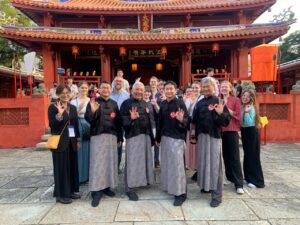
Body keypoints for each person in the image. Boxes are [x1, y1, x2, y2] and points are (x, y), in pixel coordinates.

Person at [191, 77, 231, 207]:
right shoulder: (200, 102)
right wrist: (192, 133)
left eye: (208, 86)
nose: (206, 89)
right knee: (203, 163)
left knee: (215, 165)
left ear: (214, 88)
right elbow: (194, 120)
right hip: (202, 137)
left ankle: (217, 195)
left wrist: (221, 114)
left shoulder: (218, 101)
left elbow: (226, 122)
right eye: (204, 86)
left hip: (214, 137)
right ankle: (206, 186)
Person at [85, 81, 123, 207]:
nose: (106, 89)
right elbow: (89, 119)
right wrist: (94, 111)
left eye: (107, 87)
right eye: (103, 87)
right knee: (97, 163)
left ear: (110, 90)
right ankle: (96, 191)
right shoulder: (93, 102)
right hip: (97, 136)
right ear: (98, 90)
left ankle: (106, 187)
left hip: (112, 137)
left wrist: (120, 138)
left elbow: (118, 122)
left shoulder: (114, 104)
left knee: (109, 163)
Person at [120, 81, 155, 201]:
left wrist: (152, 138)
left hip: (145, 135)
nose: (139, 92)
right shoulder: (126, 103)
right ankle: (129, 188)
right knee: (132, 161)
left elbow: (150, 121)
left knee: (144, 160)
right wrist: (131, 118)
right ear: (131, 90)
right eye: (137, 89)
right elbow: (122, 121)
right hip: (133, 135)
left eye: (141, 90)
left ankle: (142, 180)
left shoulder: (145, 103)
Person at [156, 81, 189, 206]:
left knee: (177, 166)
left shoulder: (180, 104)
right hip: (165, 138)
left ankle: (181, 193)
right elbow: (159, 123)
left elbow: (186, 121)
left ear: (175, 90)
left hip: (177, 138)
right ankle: (170, 187)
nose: (169, 91)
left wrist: (182, 120)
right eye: (167, 89)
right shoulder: (163, 104)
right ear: (164, 90)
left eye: (171, 89)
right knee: (167, 165)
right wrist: (158, 138)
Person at [48, 84, 80, 204]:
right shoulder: (53, 107)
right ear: (58, 94)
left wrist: (77, 139)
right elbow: (52, 125)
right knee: (61, 169)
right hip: (60, 142)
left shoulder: (72, 107)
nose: (65, 95)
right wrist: (59, 115)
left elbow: (75, 124)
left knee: (71, 167)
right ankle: (60, 194)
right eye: (63, 93)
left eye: (68, 92)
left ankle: (70, 191)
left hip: (71, 142)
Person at [220, 81, 244, 194]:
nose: (224, 88)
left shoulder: (236, 100)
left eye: (226, 87)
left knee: (234, 157)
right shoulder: (217, 99)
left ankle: (239, 183)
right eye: (222, 87)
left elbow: (238, 115)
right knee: (225, 156)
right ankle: (229, 177)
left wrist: (225, 106)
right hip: (221, 131)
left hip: (232, 130)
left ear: (230, 89)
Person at [241, 89, 265, 189]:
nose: (244, 97)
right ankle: (248, 177)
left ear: (251, 97)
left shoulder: (252, 107)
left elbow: (249, 121)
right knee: (247, 155)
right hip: (244, 131)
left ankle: (257, 181)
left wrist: (246, 113)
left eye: (247, 96)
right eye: (243, 95)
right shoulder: (243, 106)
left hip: (252, 132)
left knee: (253, 156)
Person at [70, 81, 90, 184]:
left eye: (85, 88)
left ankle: (88, 176)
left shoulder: (91, 101)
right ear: (78, 88)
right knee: (78, 151)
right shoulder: (73, 102)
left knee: (88, 151)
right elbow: (70, 117)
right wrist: (78, 110)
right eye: (82, 88)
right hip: (77, 125)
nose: (84, 90)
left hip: (88, 126)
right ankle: (79, 176)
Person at [110, 76, 130, 172]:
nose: (118, 83)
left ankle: (117, 166)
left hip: (121, 122)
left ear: (123, 84)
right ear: (113, 82)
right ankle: (109, 165)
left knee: (119, 143)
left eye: (120, 81)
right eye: (117, 81)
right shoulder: (108, 93)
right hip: (109, 122)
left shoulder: (126, 95)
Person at [185, 82, 202, 171]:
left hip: (198, 124)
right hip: (190, 123)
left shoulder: (202, 98)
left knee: (197, 144)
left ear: (200, 88)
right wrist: (191, 104)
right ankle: (190, 163)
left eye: (196, 87)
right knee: (190, 144)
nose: (194, 89)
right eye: (193, 88)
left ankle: (197, 164)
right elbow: (186, 113)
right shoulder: (188, 99)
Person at [149, 76, 161, 168]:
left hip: (157, 121)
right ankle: (150, 159)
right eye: (151, 81)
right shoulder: (147, 94)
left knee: (157, 141)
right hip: (148, 121)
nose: (153, 83)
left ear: (157, 83)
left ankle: (156, 160)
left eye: (154, 81)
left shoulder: (160, 95)